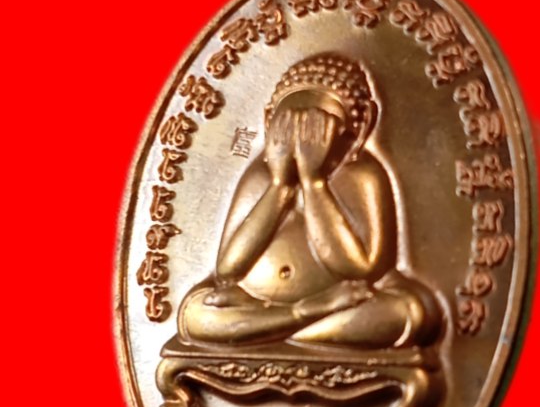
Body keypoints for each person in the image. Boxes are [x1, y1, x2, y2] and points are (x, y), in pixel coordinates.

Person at [177, 53, 443, 349]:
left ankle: (272, 331)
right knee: (195, 312)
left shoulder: (362, 175)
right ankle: (296, 322)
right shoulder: (261, 175)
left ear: (360, 128)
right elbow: (228, 270)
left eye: (319, 128)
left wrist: (313, 181)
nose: (300, 140)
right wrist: (279, 186)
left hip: (343, 306)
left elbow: (362, 271)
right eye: (287, 126)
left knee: (406, 312)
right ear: (269, 121)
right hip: (262, 304)